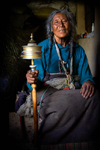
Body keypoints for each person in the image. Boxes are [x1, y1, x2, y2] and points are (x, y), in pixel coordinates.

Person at [26, 9, 100, 144]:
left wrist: (88, 81)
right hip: (48, 92)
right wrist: (31, 79)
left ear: (70, 25)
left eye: (64, 21)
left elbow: (86, 76)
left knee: (95, 97)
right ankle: (45, 137)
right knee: (63, 104)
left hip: (71, 90)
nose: (61, 25)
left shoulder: (78, 50)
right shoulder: (41, 48)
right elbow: (36, 81)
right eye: (56, 22)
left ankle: (84, 138)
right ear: (51, 28)